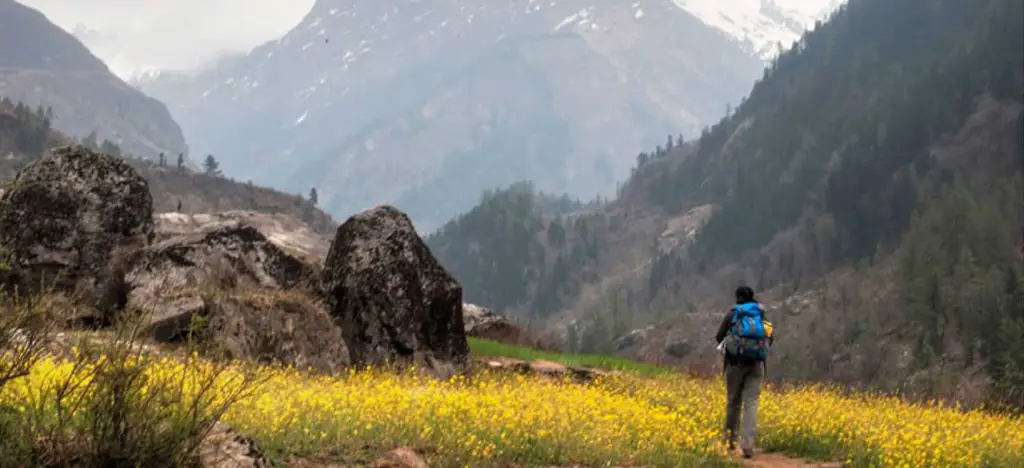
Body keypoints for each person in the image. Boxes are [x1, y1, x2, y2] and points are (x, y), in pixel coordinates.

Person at [714, 285, 773, 458]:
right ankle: (747, 446)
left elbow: (719, 336)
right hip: (757, 364)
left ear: (737, 297)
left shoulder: (733, 313)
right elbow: (770, 336)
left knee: (733, 401)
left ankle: (729, 442)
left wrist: (733, 345)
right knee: (751, 403)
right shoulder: (760, 313)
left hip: (735, 363)